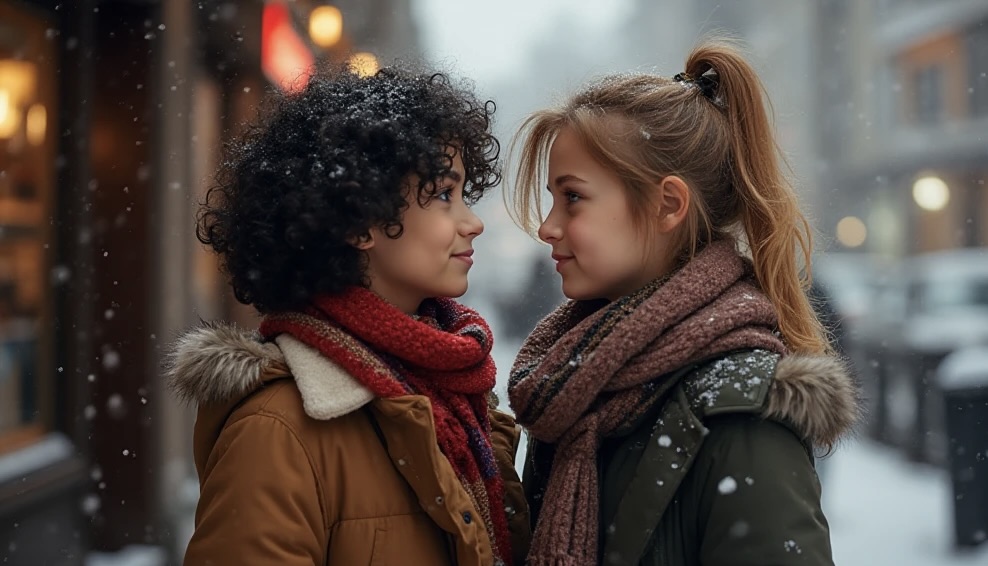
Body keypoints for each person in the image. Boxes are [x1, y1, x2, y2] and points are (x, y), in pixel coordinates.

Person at [506, 39, 860, 566]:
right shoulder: (577, 386)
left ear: (667, 204)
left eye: (572, 197)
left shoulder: (741, 419)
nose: (547, 226)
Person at [166, 64, 529, 566]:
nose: (472, 222)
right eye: (445, 194)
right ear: (361, 221)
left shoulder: (457, 398)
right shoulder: (275, 429)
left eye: (464, 194)